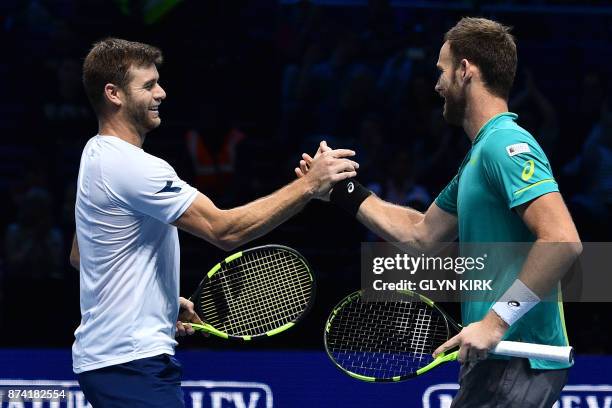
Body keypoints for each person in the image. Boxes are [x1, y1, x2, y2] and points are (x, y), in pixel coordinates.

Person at [297, 18, 581, 407]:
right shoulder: (478, 158)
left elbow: (562, 240)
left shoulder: (506, 145)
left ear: (465, 70)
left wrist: (495, 325)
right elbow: (421, 234)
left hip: (517, 360)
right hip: (496, 361)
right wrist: (341, 189)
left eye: (442, 71)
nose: (436, 84)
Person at [70, 38, 358, 407]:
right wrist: (309, 185)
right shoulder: (133, 166)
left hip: (112, 359)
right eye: (148, 85)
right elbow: (225, 230)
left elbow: (83, 255)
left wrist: (154, 301)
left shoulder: (94, 155)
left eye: (158, 81)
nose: (162, 92)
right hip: (130, 363)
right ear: (114, 94)